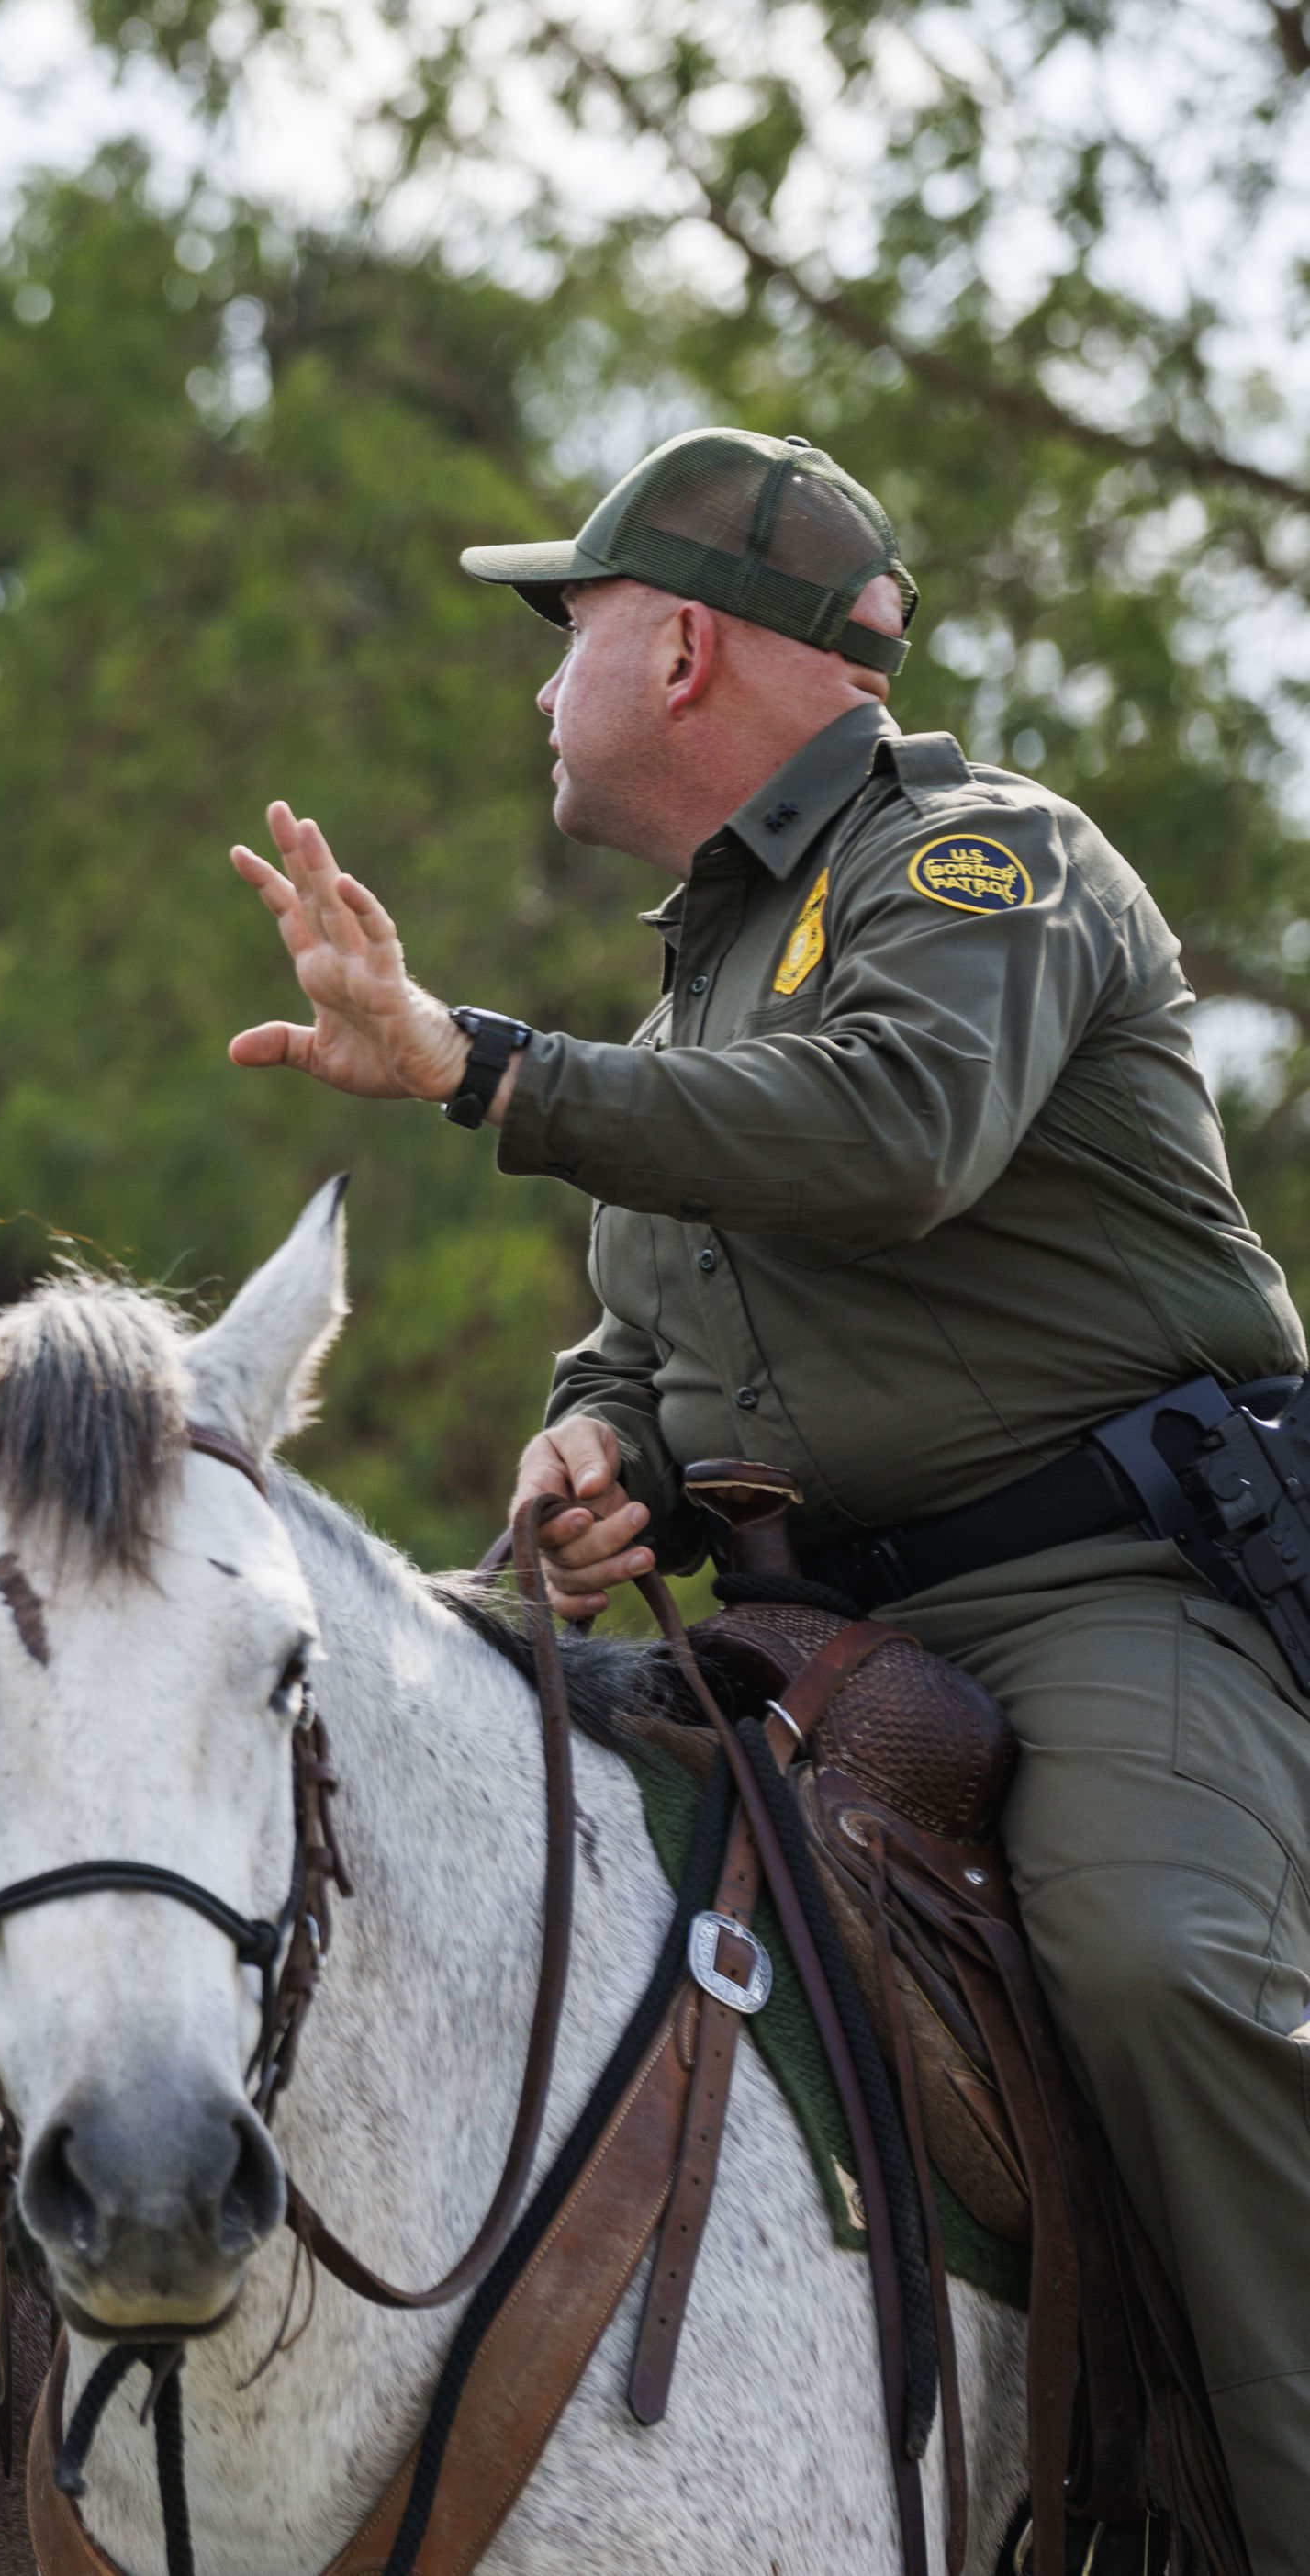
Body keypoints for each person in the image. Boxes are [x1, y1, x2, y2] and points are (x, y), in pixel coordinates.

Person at [226, 426, 1310, 2556]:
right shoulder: (715, 952)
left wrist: (479, 1065)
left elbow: (890, 1132)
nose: (546, 684)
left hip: (1098, 1591)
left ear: (692, 644)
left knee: (1159, 1963)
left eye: (576, 630)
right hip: (803, 1626)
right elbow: (673, 1313)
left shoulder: (984, 859)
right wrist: (599, 1442)